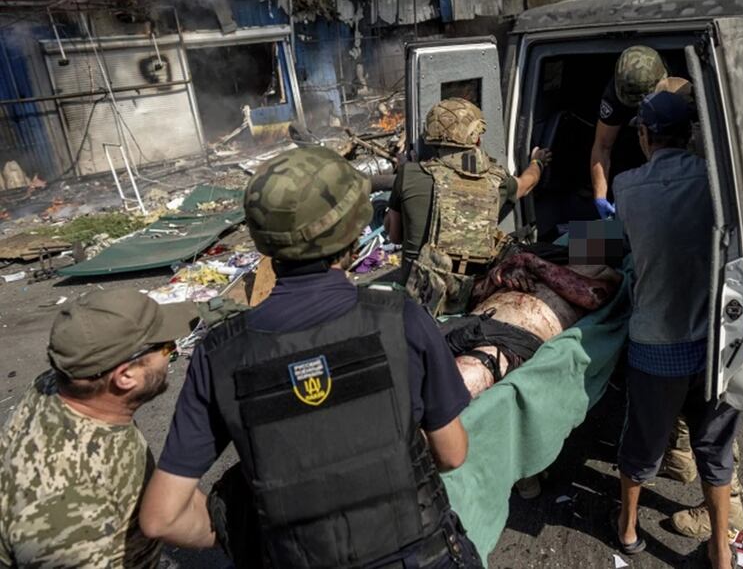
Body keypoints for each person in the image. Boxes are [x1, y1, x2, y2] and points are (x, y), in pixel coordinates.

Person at [139, 147, 482, 568]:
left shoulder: (220, 354)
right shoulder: (402, 319)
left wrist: (245, 535)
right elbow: (452, 454)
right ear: (353, 234)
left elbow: (160, 517)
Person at [612, 91, 741, 569]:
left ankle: (627, 531)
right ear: (690, 134)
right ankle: (721, 550)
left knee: (643, 442)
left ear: (644, 136)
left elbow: (611, 248)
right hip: (719, 347)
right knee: (716, 447)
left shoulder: (626, 186)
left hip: (656, 348)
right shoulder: (720, 183)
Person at [0, 289, 198, 568]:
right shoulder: (70, 514)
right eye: (167, 347)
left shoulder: (65, 382)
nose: (172, 352)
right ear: (125, 376)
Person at [385, 97, 551, 316]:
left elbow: (394, 235)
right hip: (470, 299)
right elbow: (526, 184)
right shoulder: (496, 179)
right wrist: (536, 162)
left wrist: (404, 174)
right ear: (476, 140)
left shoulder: (409, 174)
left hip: (419, 300)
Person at [441, 246, 623, 397]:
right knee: (417, 348)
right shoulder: (535, 256)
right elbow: (475, 295)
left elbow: (592, 296)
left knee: (468, 371)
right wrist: (495, 278)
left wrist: (532, 262)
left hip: (514, 334)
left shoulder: (601, 270)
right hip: (474, 319)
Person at [589, 45, 668, 219]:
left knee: (576, 245)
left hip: (664, 200)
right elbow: (602, 145)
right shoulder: (617, 93)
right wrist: (600, 197)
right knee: (575, 245)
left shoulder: (680, 88)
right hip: (639, 186)